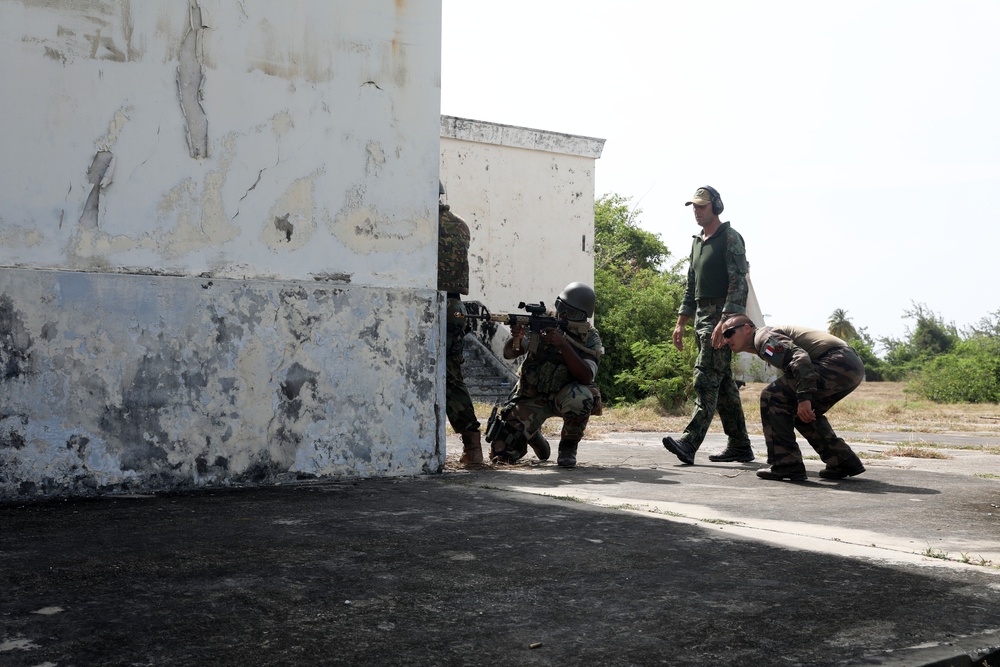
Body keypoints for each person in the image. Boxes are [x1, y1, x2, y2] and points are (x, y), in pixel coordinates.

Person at [662, 186, 754, 465]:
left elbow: (739, 284)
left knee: (704, 378)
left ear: (716, 206)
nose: (697, 211)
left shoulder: (730, 238)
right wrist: (681, 322)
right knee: (724, 386)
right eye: (694, 206)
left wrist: (726, 322)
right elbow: (691, 286)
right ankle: (740, 446)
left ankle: (689, 443)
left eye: (701, 206)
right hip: (702, 318)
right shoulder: (697, 242)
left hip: (722, 319)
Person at [718, 314, 867, 482]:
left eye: (729, 332)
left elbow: (799, 358)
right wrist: (802, 401)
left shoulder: (763, 337)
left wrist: (804, 397)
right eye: (724, 335)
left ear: (747, 328)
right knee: (801, 413)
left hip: (836, 361)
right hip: (849, 365)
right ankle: (843, 461)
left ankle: (786, 465)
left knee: (772, 396)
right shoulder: (761, 342)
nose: (726, 339)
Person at [487, 283, 603, 469]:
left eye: (570, 314)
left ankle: (568, 447)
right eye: (561, 308)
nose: (563, 316)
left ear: (582, 316)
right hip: (532, 396)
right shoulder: (542, 324)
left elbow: (586, 377)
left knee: (581, 397)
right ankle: (533, 434)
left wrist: (563, 345)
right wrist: (516, 337)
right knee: (501, 454)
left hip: (564, 396)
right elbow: (509, 354)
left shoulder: (590, 337)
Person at [438, 181, 483, 465]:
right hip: (455, 306)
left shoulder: (422, 224)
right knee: (452, 378)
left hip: (432, 303)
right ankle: (473, 448)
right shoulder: (461, 225)